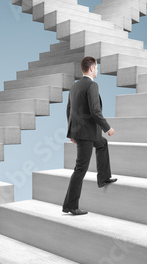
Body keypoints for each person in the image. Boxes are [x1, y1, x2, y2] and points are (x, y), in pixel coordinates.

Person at [62, 56, 117, 216]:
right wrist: (107, 127)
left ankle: (103, 177)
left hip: (81, 132)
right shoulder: (92, 85)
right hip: (86, 134)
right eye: (97, 67)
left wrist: (71, 132)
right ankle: (70, 206)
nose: (97, 70)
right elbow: (95, 111)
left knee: (102, 144)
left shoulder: (74, 87)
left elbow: (68, 110)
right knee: (80, 169)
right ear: (91, 68)